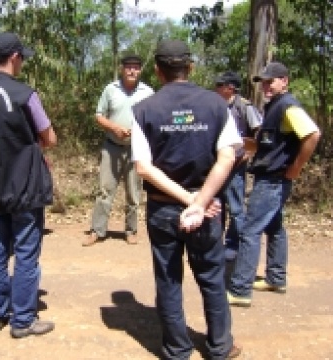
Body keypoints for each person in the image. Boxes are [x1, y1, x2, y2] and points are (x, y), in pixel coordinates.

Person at [132, 39, 242, 359]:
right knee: (211, 276)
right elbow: (227, 158)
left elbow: (143, 167)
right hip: (208, 210)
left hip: (163, 208)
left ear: (157, 70)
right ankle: (220, 346)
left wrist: (188, 201)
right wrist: (199, 202)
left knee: (168, 279)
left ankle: (178, 350)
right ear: (190, 67)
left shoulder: (143, 109)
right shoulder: (217, 104)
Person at [0, 32, 57, 338]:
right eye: (22, 59)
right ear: (15, 57)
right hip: (24, 189)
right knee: (26, 252)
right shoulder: (24, 94)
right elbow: (49, 138)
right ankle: (22, 320)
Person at [227, 62, 321, 307]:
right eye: (263, 82)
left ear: (284, 81)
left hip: (273, 179)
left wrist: (296, 167)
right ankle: (276, 278)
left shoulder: (288, 106)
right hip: (269, 175)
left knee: (250, 230)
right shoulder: (274, 107)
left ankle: (239, 289)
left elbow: (312, 135)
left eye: (271, 81)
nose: (266, 86)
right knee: (274, 227)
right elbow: (274, 143)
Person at [83, 53, 154, 246]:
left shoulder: (148, 92)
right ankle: (97, 231)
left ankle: (131, 231)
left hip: (135, 150)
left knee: (134, 193)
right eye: (128, 67)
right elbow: (99, 115)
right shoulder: (110, 89)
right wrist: (114, 127)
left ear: (140, 70)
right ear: (122, 69)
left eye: (136, 67)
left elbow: (154, 120)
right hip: (111, 147)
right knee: (105, 191)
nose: (132, 70)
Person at [215, 71, 263, 260]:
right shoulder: (216, 105)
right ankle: (216, 245)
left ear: (230, 88)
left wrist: (249, 153)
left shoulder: (245, 107)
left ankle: (235, 247)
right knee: (217, 207)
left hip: (236, 166)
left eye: (220, 85)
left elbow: (259, 131)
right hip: (218, 165)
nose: (216, 88)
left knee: (236, 209)